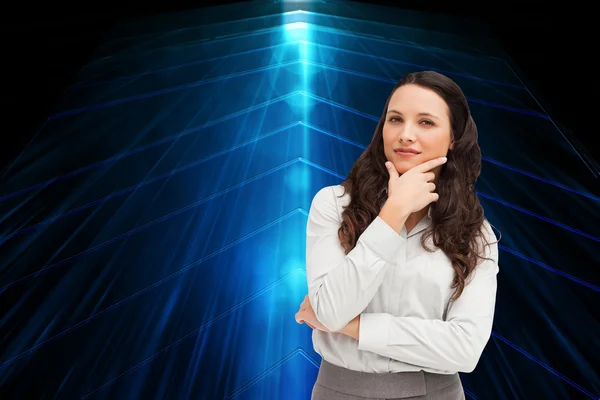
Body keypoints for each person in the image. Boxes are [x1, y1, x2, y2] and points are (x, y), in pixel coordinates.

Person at [295, 70, 501, 400]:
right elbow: (331, 310)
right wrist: (393, 213)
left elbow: (465, 349)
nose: (405, 135)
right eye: (395, 119)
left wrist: (352, 327)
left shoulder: (475, 233)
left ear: (454, 137)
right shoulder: (333, 205)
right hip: (338, 390)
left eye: (425, 122)